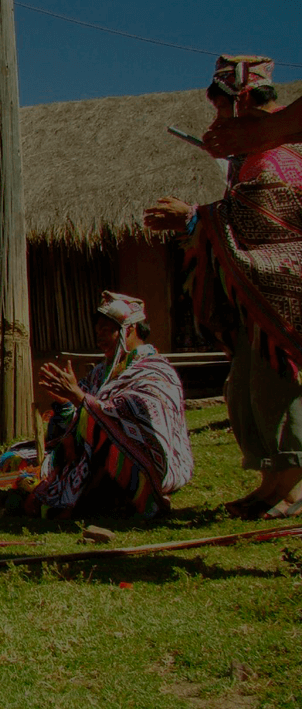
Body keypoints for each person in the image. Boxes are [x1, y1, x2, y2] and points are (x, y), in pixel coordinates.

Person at [143, 55, 302, 519]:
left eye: (220, 109)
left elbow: (268, 224)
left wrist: (195, 217)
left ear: (245, 101)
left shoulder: (280, 154)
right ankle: (272, 482)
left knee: (278, 388)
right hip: (261, 304)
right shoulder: (252, 157)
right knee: (249, 389)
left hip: (284, 300)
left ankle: (292, 485)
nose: (215, 120)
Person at [15, 292, 194, 520]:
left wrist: (81, 399)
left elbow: (130, 418)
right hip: (101, 466)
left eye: (106, 329)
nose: (99, 337)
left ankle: (125, 494)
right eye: (97, 330)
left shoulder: (155, 371)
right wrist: (65, 403)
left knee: (106, 435)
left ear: (128, 329)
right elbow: (78, 422)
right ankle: (100, 495)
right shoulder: (102, 372)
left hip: (150, 465)